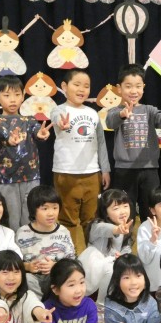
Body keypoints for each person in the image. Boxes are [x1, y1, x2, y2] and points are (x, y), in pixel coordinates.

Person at [106, 63, 161, 221]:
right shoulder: (115, 111)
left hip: (149, 169)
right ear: (119, 88)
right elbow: (110, 122)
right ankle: (125, 236)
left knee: (151, 209)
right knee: (125, 211)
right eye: (128, 86)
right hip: (124, 170)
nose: (134, 91)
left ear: (143, 87)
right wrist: (122, 114)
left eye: (138, 86)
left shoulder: (149, 110)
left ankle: (152, 236)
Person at [51, 68, 111, 252]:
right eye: (76, 84)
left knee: (91, 220)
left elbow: (101, 142)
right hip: (66, 173)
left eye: (86, 86)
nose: (82, 89)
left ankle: (92, 255)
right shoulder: (59, 110)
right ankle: (70, 256)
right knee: (67, 219)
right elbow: (57, 119)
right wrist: (61, 123)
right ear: (64, 86)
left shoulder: (93, 113)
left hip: (92, 174)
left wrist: (105, 169)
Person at [0, 75, 52, 232]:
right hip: (6, 178)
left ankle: (28, 243)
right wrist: (10, 139)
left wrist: (42, 134)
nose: (13, 99)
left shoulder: (29, 120)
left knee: (30, 216)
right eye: (7, 95)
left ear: (23, 96)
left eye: (17, 94)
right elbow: (1, 134)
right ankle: (12, 246)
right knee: (10, 218)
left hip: (31, 176)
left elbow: (37, 131)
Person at [78, 189, 134, 309]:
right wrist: (117, 230)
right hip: (91, 270)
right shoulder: (96, 225)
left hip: (109, 273)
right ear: (106, 212)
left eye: (125, 206)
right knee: (110, 267)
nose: (123, 211)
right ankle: (101, 306)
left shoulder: (127, 227)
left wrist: (122, 257)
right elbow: (104, 228)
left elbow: (126, 249)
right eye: (116, 208)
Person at [15, 185, 75, 297]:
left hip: (55, 277)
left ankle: (51, 302)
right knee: (25, 279)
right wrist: (28, 266)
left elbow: (72, 262)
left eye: (55, 208)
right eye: (45, 208)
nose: (51, 213)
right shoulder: (22, 232)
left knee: (63, 277)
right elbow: (15, 262)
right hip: (31, 277)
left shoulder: (63, 232)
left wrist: (55, 266)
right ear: (33, 210)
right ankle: (37, 304)